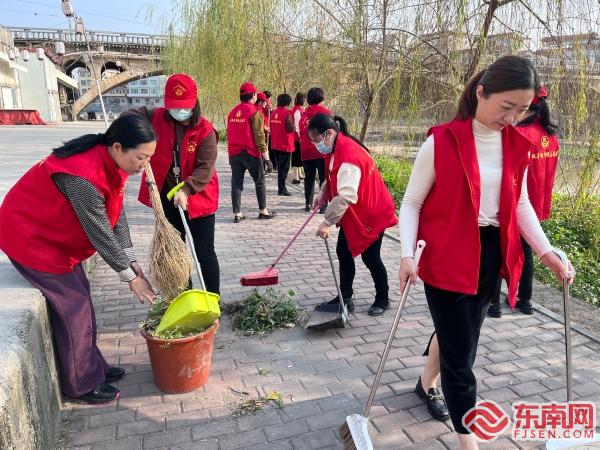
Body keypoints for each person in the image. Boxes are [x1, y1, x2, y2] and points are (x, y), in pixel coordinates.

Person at [398, 56, 574, 449]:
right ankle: (468, 440)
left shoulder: (519, 144)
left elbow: (522, 203)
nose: (512, 117)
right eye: (505, 106)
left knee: (464, 331)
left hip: (491, 253)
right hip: (445, 252)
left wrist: (546, 252)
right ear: (481, 93)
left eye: (523, 109)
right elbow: (410, 203)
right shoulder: (441, 140)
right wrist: (406, 255)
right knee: (462, 356)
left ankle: (426, 381)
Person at [0, 115, 157, 404]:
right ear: (118, 147)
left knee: (83, 296)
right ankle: (81, 383)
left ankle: (92, 366)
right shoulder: (82, 176)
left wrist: (132, 261)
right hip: (31, 240)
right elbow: (100, 233)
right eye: (142, 157)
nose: (144, 165)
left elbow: (116, 212)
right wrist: (131, 279)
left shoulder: (112, 161)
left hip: (55, 241)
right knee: (75, 308)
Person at [132, 73, 221, 295]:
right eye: (174, 106)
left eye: (184, 106)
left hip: (198, 196)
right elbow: (134, 114)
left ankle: (213, 299)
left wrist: (186, 190)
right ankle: (186, 297)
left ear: (195, 102)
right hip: (166, 197)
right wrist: (126, 128)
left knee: (205, 252)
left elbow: (205, 167)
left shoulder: (205, 130)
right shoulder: (157, 117)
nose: (179, 112)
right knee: (176, 252)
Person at [310, 114, 398, 316]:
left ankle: (383, 299)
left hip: (372, 213)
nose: (317, 146)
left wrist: (326, 222)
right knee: (344, 251)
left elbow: (346, 196)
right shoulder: (336, 146)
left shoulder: (349, 154)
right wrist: (324, 191)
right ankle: (345, 297)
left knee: (371, 257)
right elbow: (333, 174)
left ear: (328, 133)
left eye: (316, 141)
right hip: (358, 212)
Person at [487, 85, 559, 317]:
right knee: (526, 251)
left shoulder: (519, 136)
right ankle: (525, 300)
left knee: (501, 248)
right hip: (537, 204)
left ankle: (493, 304)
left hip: (515, 202)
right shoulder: (551, 137)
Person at [227, 82, 276, 222]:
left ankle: (237, 213)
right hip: (250, 152)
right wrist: (267, 159)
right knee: (260, 181)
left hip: (234, 153)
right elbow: (259, 137)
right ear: (253, 95)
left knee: (236, 183)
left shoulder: (232, 112)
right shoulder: (255, 112)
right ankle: (263, 210)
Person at [300, 87, 330, 212]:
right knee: (323, 178)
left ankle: (308, 203)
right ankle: (323, 205)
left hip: (306, 151)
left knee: (309, 178)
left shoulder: (304, 114)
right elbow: (330, 131)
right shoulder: (325, 112)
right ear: (321, 98)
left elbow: (301, 131)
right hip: (321, 151)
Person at [270, 93, 296, 196]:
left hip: (275, 144)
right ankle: (282, 189)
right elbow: (290, 128)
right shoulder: (286, 114)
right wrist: (295, 127)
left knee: (280, 167)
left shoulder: (274, 113)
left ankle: (281, 187)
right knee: (284, 168)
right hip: (285, 145)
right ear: (288, 103)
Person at [291, 92, 305, 184]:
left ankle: (299, 174)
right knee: (296, 157)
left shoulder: (298, 109)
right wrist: (300, 137)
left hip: (297, 137)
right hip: (297, 138)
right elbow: (297, 126)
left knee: (299, 156)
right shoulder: (297, 110)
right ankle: (295, 177)